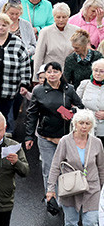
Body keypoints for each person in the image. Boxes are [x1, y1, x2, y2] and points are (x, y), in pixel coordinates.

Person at [46, 109, 104, 226]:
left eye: (87, 123)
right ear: (75, 124)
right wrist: (50, 188)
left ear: (91, 126)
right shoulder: (65, 141)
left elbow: (101, 168)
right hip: (70, 187)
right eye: (81, 123)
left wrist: (101, 189)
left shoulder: (97, 143)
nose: (84, 126)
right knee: (71, 221)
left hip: (92, 188)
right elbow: (55, 166)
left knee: (91, 222)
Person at [25, 61, 85, 194]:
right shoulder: (39, 91)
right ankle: (51, 199)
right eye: (49, 72)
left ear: (61, 73)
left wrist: (72, 113)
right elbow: (32, 114)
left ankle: (66, 196)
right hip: (46, 136)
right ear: (45, 74)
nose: (52, 74)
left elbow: (81, 108)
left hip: (66, 137)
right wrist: (29, 136)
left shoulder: (69, 89)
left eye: (55, 71)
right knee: (49, 169)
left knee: (67, 169)